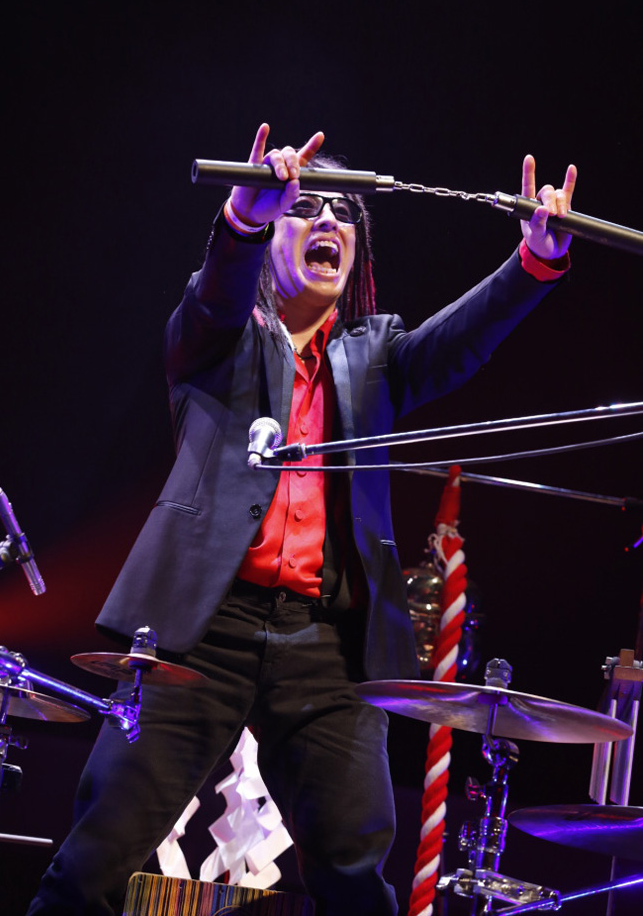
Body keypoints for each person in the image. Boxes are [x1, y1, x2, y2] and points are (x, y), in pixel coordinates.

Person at [28, 123, 576, 915]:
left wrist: (535, 260)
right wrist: (242, 220)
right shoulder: (218, 336)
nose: (329, 220)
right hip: (199, 629)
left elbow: (459, 342)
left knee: (356, 875)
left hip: (328, 641)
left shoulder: (376, 354)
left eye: (345, 212)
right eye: (306, 207)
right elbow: (217, 292)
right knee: (95, 859)